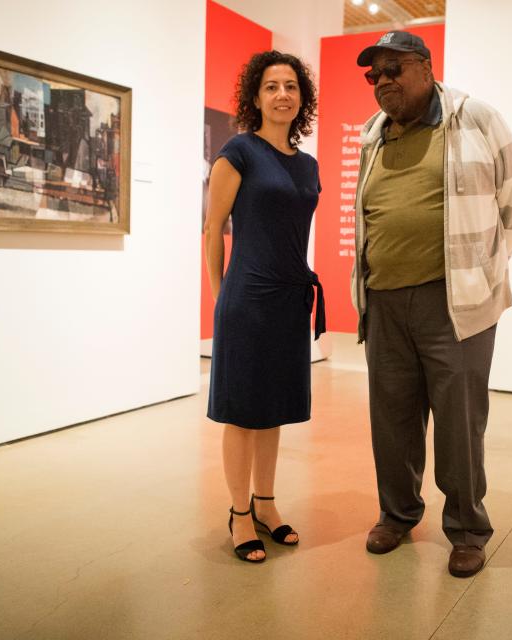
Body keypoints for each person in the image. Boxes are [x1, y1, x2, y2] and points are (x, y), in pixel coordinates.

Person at [351, 31, 512, 578]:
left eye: (394, 69)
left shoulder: (474, 119)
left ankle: (468, 529)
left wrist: (481, 270)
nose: (383, 81)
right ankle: (398, 513)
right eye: (373, 74)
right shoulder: (372, 134)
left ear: (425, 68)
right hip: (383, 301)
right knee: (393, 418)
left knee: (459, 422)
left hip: (454, 302)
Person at [204, 50, 323, 563]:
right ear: (256, 96)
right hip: (248, 298)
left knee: (271, 410)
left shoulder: (309, 164)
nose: (282, 95)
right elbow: (214, 229)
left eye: (291, 86)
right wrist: (219, 295)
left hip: (289, 300)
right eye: (272, 86)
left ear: (303, 98)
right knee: (243, 411)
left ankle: (267, 504)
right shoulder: (239, 152)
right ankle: (238, 512)